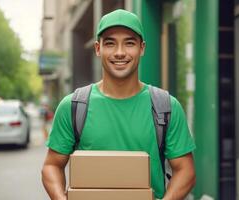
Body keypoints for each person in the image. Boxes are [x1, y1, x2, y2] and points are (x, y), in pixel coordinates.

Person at [42, 9, 196, 200]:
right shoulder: (73, 106)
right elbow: (52, 166)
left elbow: (185, 171)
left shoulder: (166, 106)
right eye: (110, 43)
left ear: (142, 48)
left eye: (129, 43)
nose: (120, 52)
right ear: (98, 49)